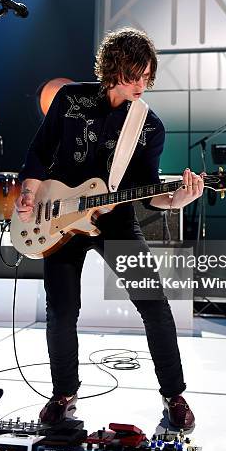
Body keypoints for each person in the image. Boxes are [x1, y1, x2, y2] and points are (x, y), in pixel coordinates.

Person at [16, 27, 204, 429]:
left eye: (146, 77)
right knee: (62, 311)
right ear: (113, 69)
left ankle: (174, 394)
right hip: (60, 219)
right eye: (132, 76)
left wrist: (176, 200)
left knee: (155, 306)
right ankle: (63, 393)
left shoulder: (149, 126)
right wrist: (29, 191)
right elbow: (39, 149)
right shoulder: (70, 99)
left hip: (116, 221)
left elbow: (145, 188)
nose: (140, 85)